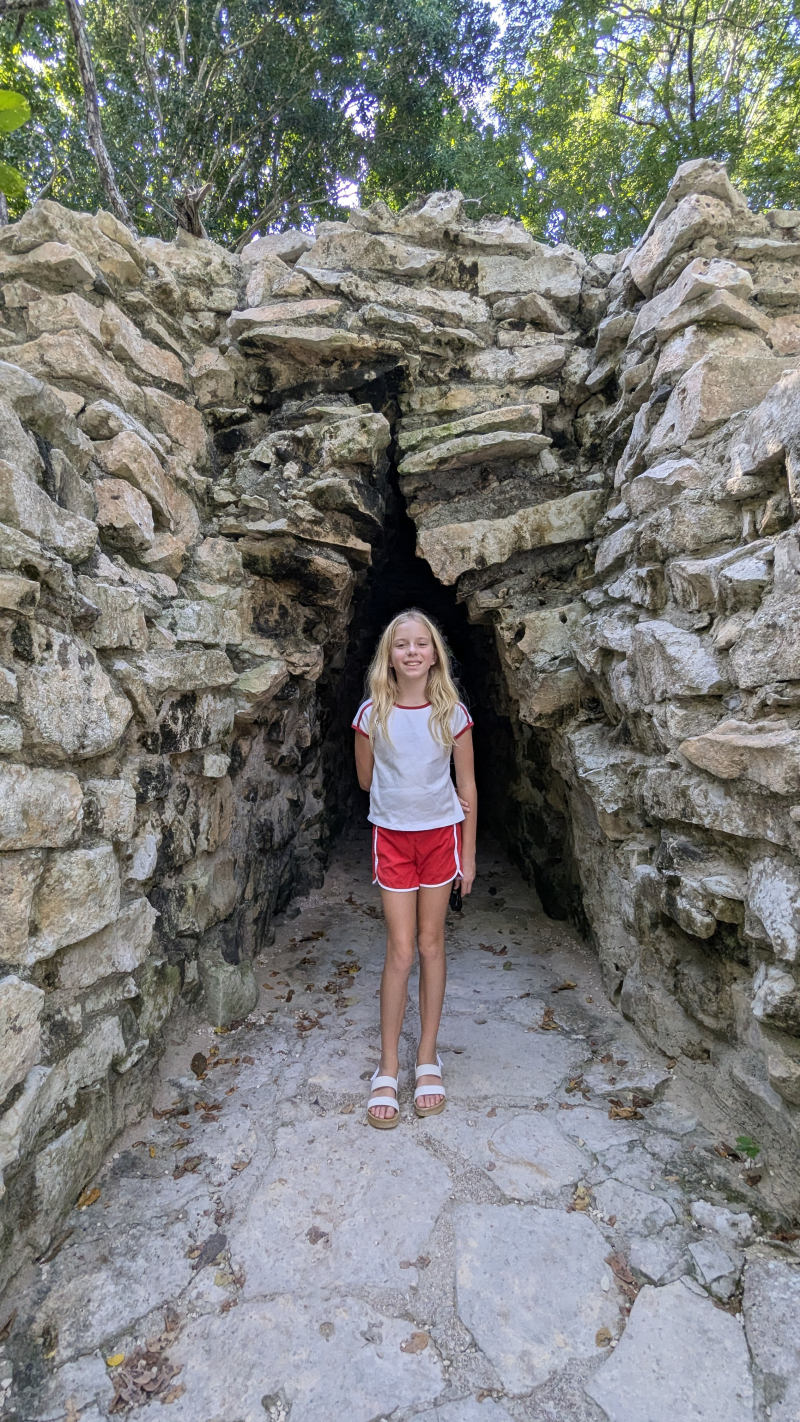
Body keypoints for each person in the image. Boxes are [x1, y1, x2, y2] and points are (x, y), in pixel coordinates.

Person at [352, 608, 477, 1128]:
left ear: (434, 655)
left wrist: (469, 855)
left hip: (441, 838)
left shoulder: (452, 713)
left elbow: (467, 787)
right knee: (400, 950)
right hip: (393, 838)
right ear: (388, 655)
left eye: (421, 643)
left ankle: (427, 1056)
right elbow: (366, 781)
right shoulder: (371, 715)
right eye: (401, 644)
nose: (411, 652)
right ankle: (388, 1065)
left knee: (431, 944)